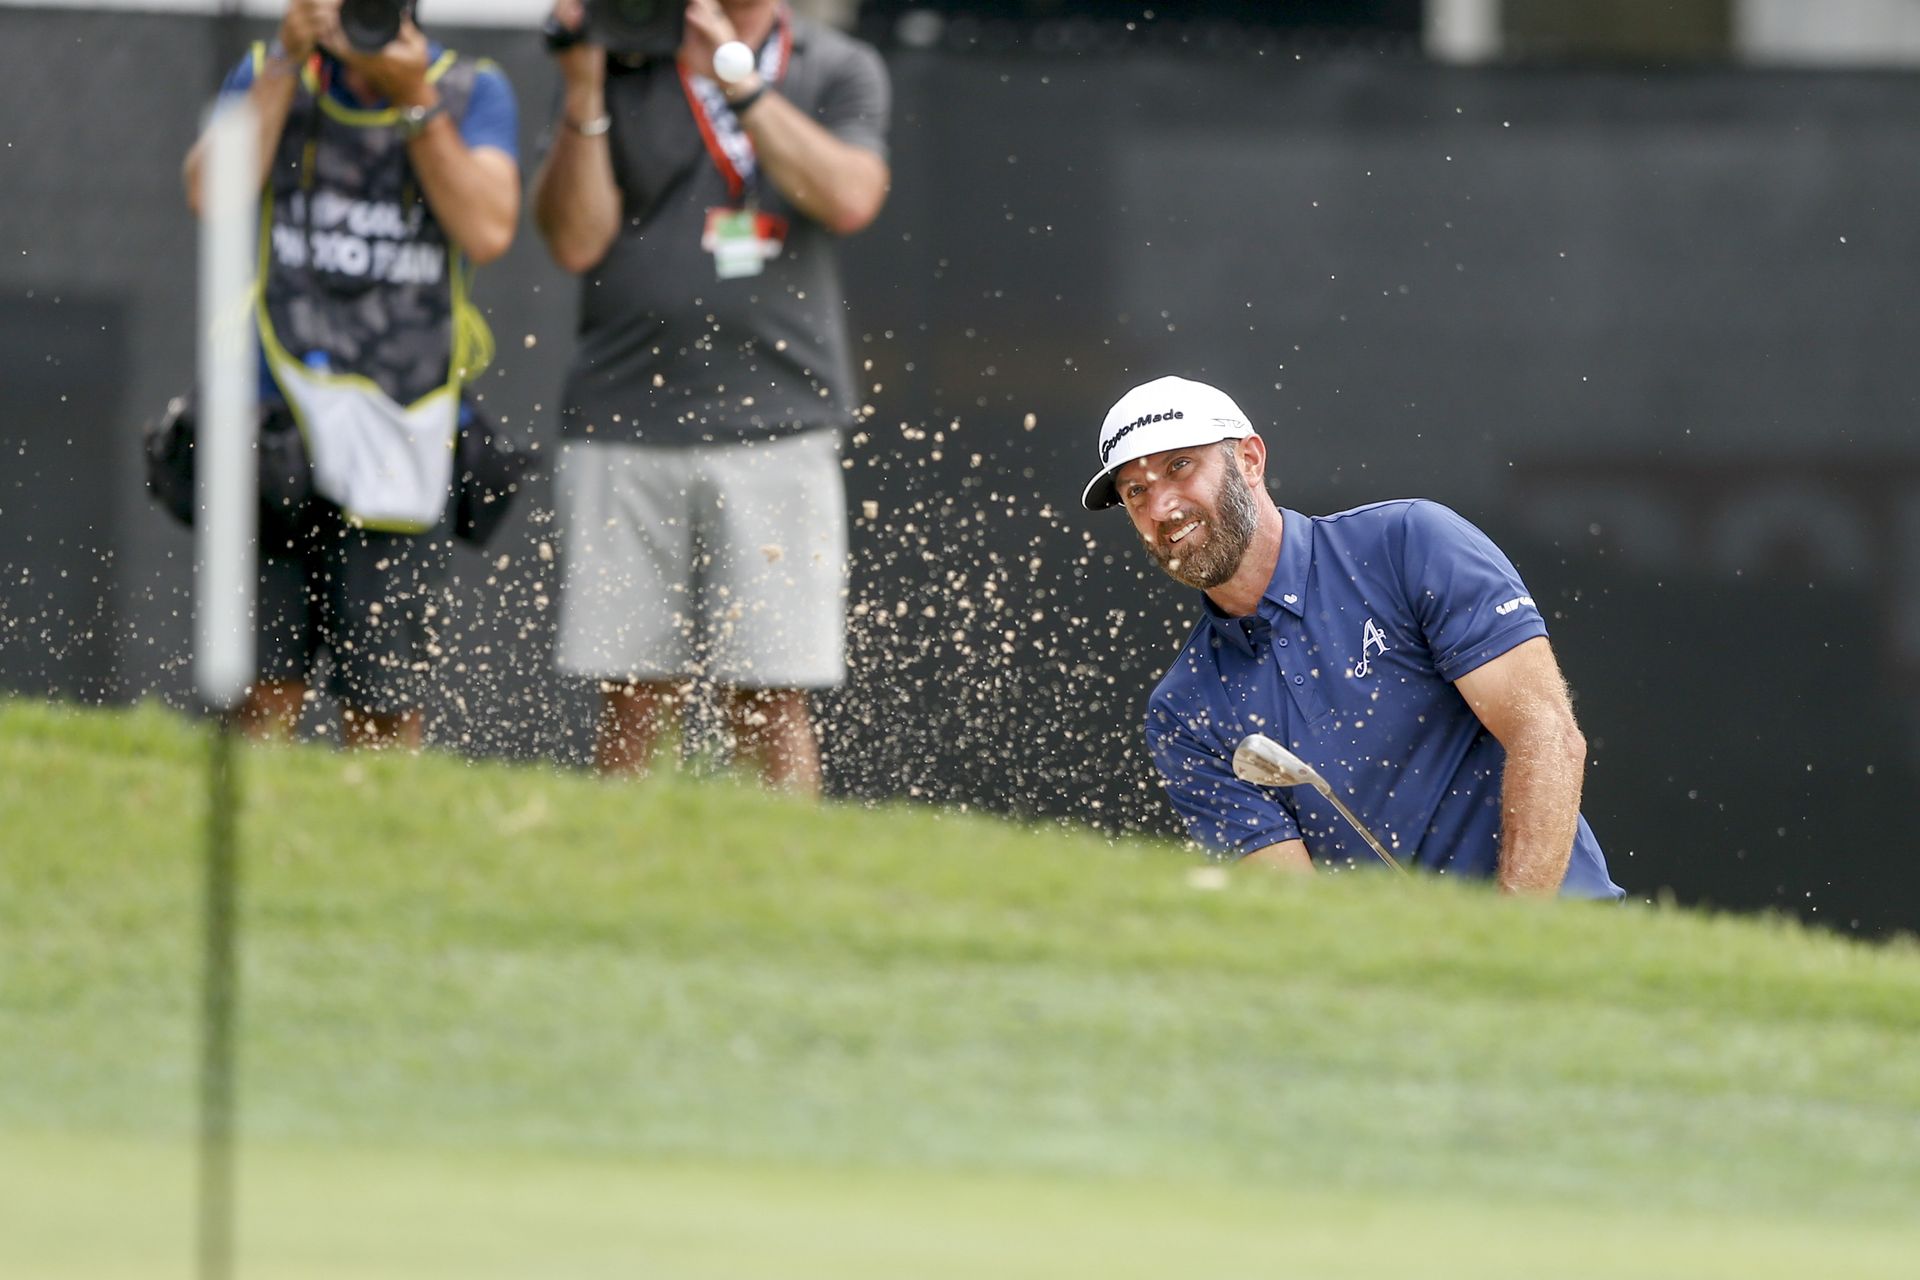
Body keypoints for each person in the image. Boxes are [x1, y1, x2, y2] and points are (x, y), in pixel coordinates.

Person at [532, 0, 891, 792]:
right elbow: (574, 240)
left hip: (779, 422)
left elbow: (850, 198)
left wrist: (737, 79)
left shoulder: (835, 65)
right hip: (624, 418)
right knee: (631, 692)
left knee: (769, 694)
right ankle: (619, 881)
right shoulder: (620, 52)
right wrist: (584, 88)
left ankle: (784, 885)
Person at [1083, 375, 1623, 897]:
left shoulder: (1408, 544)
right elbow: (1297, 909)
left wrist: (1508, 942)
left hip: (1564, 944)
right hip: (1408, 984)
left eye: (1181, 467)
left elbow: (1546, 734)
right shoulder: (1183, 709)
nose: (1162, 508)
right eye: (1136, 491)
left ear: (1249, 460)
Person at [182, 0, 520, 749]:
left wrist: (414, 101)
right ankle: (274, 846)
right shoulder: (275, 72)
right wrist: (282, 63)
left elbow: (489, 228)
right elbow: (212, 195)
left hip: (407, 432)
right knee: (261, 692)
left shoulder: (469, 89)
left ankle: (374, 842)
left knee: (386, 702)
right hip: (275, 430)